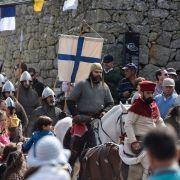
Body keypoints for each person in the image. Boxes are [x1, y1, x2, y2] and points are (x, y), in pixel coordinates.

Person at [65, 62, 114, 167]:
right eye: (96, 72)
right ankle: (70, 167)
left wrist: (104, 111)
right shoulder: (82, 84)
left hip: (98, 119)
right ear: (91, 72)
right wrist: (76, 115)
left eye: (100, 72)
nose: (99, 74)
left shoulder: (104, 86)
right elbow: (70, 101)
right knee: (76, 146)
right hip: (82, 120)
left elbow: (110, 103)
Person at [123, 80, 166, 180]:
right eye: (148, 93)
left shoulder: (153, 105)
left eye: (152, 93)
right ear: (141, 93)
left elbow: (159, 121)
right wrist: (133, 141)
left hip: (153, 141)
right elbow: (128, 124)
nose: (150, 95)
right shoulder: (136, 106)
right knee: (150, 164)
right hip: (139, 141)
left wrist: (167, 134)